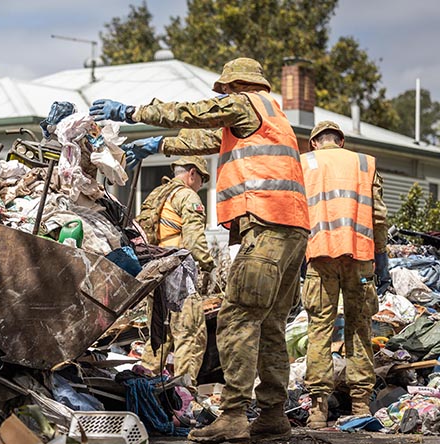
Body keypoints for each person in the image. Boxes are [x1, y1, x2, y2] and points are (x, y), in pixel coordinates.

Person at [90, 57, 309, 443]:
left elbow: (195, 113)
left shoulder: (246, 102)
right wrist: (159, 143)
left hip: (266, 224)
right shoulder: (271, 118)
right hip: (292, 230)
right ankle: (274, 416)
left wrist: (131, 112)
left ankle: (235, 415)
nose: (223, 95)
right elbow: (205, 138)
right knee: (270, 326)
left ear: (236, 85)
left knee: (236, 320)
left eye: (225, 89)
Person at [300, 121, 389, 428]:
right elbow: (378, 215)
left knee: (319, 331)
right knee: (359, 329)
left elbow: (295, 212)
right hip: (359, 255)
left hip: (319, 256)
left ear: (314, 143)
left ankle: (318, 410)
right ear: (340, 141)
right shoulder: (363, 163)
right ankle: (361, 404)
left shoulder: (303, 164)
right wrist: (382, 257)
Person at [138, 156, 216, 390]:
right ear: (192, 173)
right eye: (202, 179)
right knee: (191, 333)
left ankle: (146, 386)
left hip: (155, 270)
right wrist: (207, 264)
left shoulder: (158, 195)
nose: (201, 185)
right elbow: (193, 239)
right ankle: (185, 395)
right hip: (178, 273)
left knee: (159, 335)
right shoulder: (187, 195)